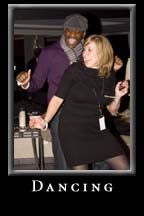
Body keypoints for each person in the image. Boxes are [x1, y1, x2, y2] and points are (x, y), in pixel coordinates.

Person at [29, 34, 129, 170]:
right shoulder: (74, 70)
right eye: (84, 49)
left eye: (89, 50)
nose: (84, 54)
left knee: (124, 167)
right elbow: (58, 98)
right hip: (73, 130)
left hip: (98, 129)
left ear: (102, 53)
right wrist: (45, 120)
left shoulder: (109, 76)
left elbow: (111, 110)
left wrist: (117, 97)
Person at [16, 14, 88, 170]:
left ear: (84, 34)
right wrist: (26, 83)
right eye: (69, 30)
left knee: (88, 156)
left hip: (85, 110)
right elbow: (36, 84)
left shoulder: (89, 53)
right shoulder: (49, 53)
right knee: (63, 157)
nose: (72, 35)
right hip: (59, 111)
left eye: (78, 31)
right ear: (64, 30)